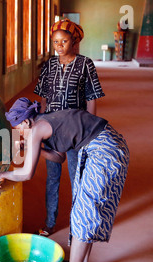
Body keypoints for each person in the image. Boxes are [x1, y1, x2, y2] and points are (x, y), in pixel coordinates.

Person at [0, 98, 129, 262]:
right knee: (82, 209)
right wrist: (33, 148)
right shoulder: (45, 123)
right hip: (105, 146)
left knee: (84, 214)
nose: (19, 133)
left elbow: (26, 174)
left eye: (19, 127)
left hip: (105, 151)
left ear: (27, 122)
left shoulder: (38, 129)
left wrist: (2, 175)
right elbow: (59, 156)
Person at [34, 18, 105, 237]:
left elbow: (92, 97)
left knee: (78, 178)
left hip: (77, 131)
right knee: (52, 178)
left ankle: (78, 224)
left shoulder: (86, 64)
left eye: (63, 41)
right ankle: (49, 222)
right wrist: (41, 121)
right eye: (55, 42)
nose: (59, 46)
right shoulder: (50, 65)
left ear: (73, 41)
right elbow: (44, 97)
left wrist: (90, 130)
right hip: (52, 129)